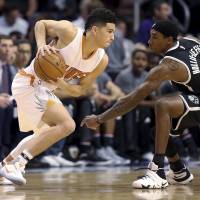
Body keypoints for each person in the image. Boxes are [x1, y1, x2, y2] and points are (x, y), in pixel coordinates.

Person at [0, 8, 116, 185]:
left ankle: (5, 165)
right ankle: (18, 164)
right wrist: (41, 47)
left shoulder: (102, 60)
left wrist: (62, 83)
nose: (113, 37)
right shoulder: (70, 32)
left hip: (47, 89)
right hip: (29, 81)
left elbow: (80, 91)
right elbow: (41, 24)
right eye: (109, 31)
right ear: (94, 29)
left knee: (44, 132)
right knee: (68, 124)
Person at [81, 20, 198, 189]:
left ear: (169, 41)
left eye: (155, 37)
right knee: (159, 132)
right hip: (195, 97)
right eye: (150, 36)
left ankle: (157, 171)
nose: (149, 41)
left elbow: (132, 99)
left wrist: (100, 118)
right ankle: (179, 172)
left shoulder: (168, 66)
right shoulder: (191, 41)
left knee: (163, 105)